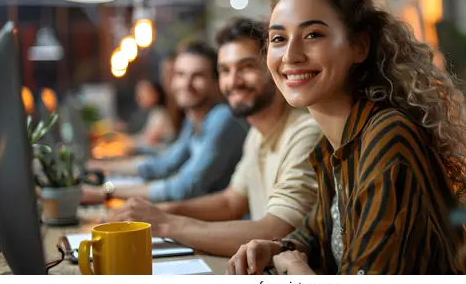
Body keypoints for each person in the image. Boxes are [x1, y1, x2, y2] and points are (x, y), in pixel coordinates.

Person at [226, 0, 466, 275]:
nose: (290, 56)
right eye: (278, 39)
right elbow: (315, 234)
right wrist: (277, 247)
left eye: (313, 34)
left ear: (358, 46)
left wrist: (294, 267)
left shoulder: (387, 136)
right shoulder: (332, 145)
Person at [107, 17, 321, 257]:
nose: (233, 81)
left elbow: (275, 231)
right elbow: (231, 202)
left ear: (274, 67)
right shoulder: (256, 134)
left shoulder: (306, 131)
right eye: (225, 70)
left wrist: (165, 223)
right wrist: (161, 212)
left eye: (247, 67)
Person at [82, 38, 249, 204]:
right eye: (180, 74)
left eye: (197, 76)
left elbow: (184, 188)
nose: (186, 84)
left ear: (216, 81)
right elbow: (164, 164)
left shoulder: (223, 118)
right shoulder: (195, 119)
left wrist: (105, 192)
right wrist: (97, 166)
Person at [127, 79, 175, 146]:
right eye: (139, 95)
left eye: (143, 94)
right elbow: (144, 136)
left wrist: (126, 142)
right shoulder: (154, 112)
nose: (139, 98)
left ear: (155, 94)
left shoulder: (159, 114)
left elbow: (149, 139)